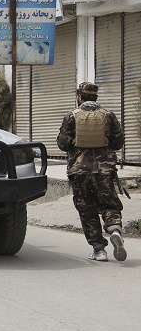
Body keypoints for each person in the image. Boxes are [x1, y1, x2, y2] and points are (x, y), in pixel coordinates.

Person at [56, 82, 126, 262]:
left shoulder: (71, 116)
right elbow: (118, 143)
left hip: (79, 171)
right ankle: (115, 230)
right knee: (109, 204)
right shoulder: (108, 116)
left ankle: (99, 249)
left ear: (80, 97)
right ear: (96, 97)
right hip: (105, 171)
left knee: (86, 209)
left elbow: (63, 144)